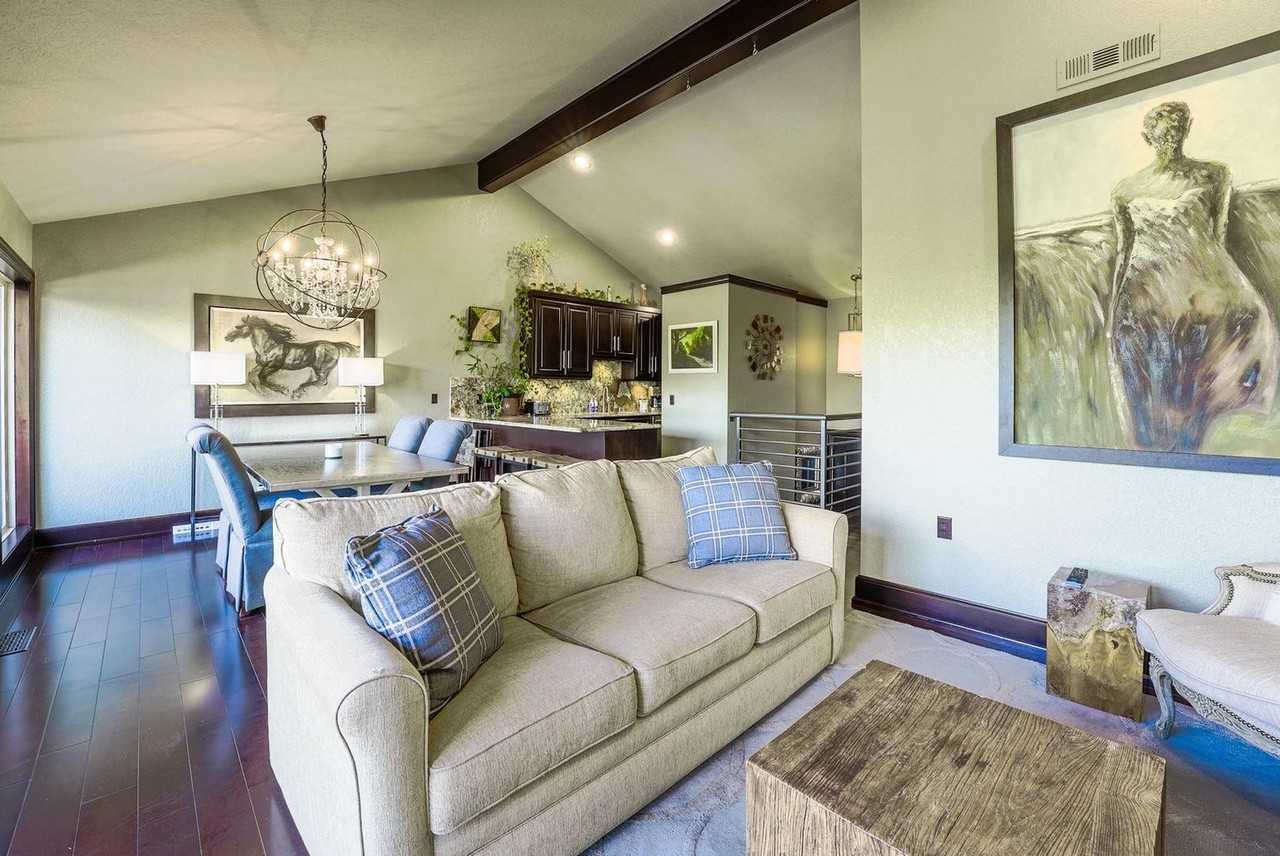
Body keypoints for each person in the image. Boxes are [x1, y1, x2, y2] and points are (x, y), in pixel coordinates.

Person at [1108, 101, 1277, 451]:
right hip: (1148, 285)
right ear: (1149, 137)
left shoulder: (1213, 175)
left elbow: (1216, 237)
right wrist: (1117, 305)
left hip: (1197, 279)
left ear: (1186, 130)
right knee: (1152, 353)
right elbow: (1125, 249)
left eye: (1177, 128)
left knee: (1241, 322)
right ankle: (1163, 437)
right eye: (1164, 131)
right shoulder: (1125, 190)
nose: (1171, 136)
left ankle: (1208, 428)